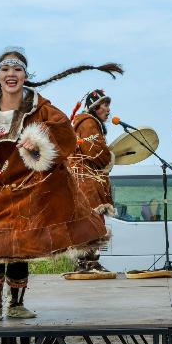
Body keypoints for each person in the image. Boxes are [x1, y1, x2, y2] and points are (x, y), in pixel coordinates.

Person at [0, 47, 122, 321]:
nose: (11, 74)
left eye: (17, 70)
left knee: (19, 247)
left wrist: (40, 136)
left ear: (25, 76)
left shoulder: (39, 107)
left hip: (27, 189)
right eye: (6, 70)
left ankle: (17, 305)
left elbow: (64, 132)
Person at [70, 89, 116, 272]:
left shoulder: (87, 123)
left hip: (83, 178)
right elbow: (95, 152)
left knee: (89, 221)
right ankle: (88, 263)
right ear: (94, 107)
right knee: (93, 221)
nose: (108, 109)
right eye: (105, 105)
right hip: (87, 180)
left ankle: (86, 263)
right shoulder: (89, 123)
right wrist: (109, 157)